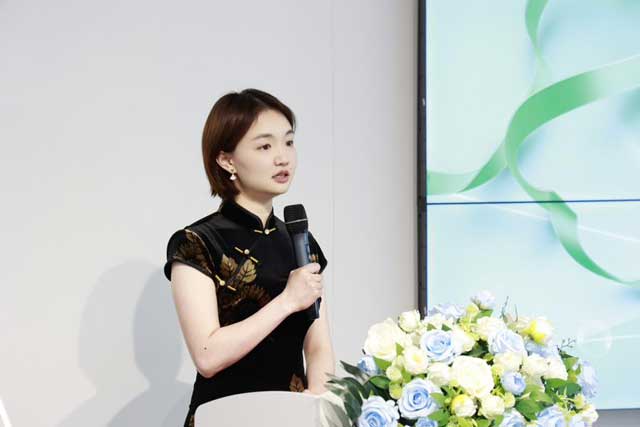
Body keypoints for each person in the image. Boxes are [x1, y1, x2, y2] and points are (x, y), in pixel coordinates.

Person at [163, 89, 335, 427]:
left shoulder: (300, 241)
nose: (283, 158)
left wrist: (318, 400)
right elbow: (207, 356)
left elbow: (318, 347)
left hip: (292, 417)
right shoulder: (196, 242)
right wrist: (287, 301)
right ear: (226, 160)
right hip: (224, 417)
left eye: (289, 142)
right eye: (265, 147)